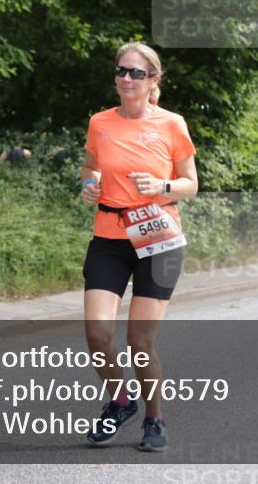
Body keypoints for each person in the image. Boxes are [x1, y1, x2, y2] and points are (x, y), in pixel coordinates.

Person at [80, 42, 198, 452]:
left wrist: (162, 186)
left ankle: (154, 417)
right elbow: (90, 165)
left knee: (139, 343)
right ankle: (120, 400)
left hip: (157, 239)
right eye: (121, 71)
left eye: (136, 73)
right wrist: (88, 185)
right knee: (96, 332)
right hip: (110, 237)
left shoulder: (172, 124)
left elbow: (191, 183)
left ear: (154, 81)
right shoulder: (100, 122)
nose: (126, 79)